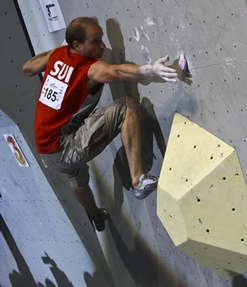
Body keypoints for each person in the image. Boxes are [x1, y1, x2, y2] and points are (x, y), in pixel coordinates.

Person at [22, 17, 177, 232]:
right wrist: (149, 70)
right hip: (63, 148)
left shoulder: (57, 55)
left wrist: (56, 52)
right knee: (127, 107)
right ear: (77, 45)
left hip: (46, 151)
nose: (103, 46)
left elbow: (28, 68)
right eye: (96, 41)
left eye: (102, 38)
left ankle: (95, 215)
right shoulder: (90, 68)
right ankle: (138, 181)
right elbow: (117, 72)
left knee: (76, 176)